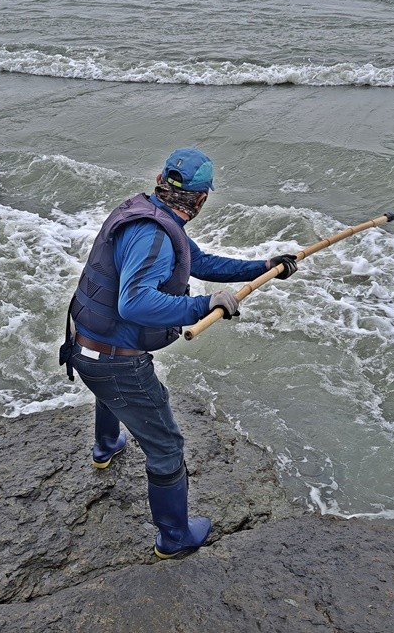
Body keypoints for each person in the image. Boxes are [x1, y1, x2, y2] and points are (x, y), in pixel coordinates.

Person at [59, 147, 298, 559]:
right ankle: (174, 538)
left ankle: (105, 447)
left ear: (160, 180)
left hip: (85, 346)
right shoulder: (153, 234)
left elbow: (198, 261)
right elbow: (134, 304)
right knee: (167, 447)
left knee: (112, 394)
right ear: (202, 198)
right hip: (114, 361)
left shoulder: (148, 213)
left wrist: (262, 265)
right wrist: (205, 306)